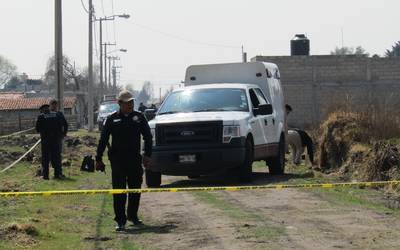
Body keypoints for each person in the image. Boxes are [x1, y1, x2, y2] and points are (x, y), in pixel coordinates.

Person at [95, 90, 153, 231]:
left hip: (134, 159)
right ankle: (120, 220)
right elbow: (103, 140)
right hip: (118, 161)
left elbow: (148, 137)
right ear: (119, 103)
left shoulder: (139, 117)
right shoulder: (112, 119)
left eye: (132, 102)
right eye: (127, 102)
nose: (130, 105)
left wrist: (147, 155)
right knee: (119, 191)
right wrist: (98, 158)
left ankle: (132, 216)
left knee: (135, 190)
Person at [36, 104, 67, 180]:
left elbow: (37, 129)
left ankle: (46, 176)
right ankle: (57, 174)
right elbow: (64, 124)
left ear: (42, 110)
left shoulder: (41, 117)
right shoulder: (57, 115)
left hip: (45, 141)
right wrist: (63, 134)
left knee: (45, 159)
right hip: (56, 140)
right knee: (56, 157)